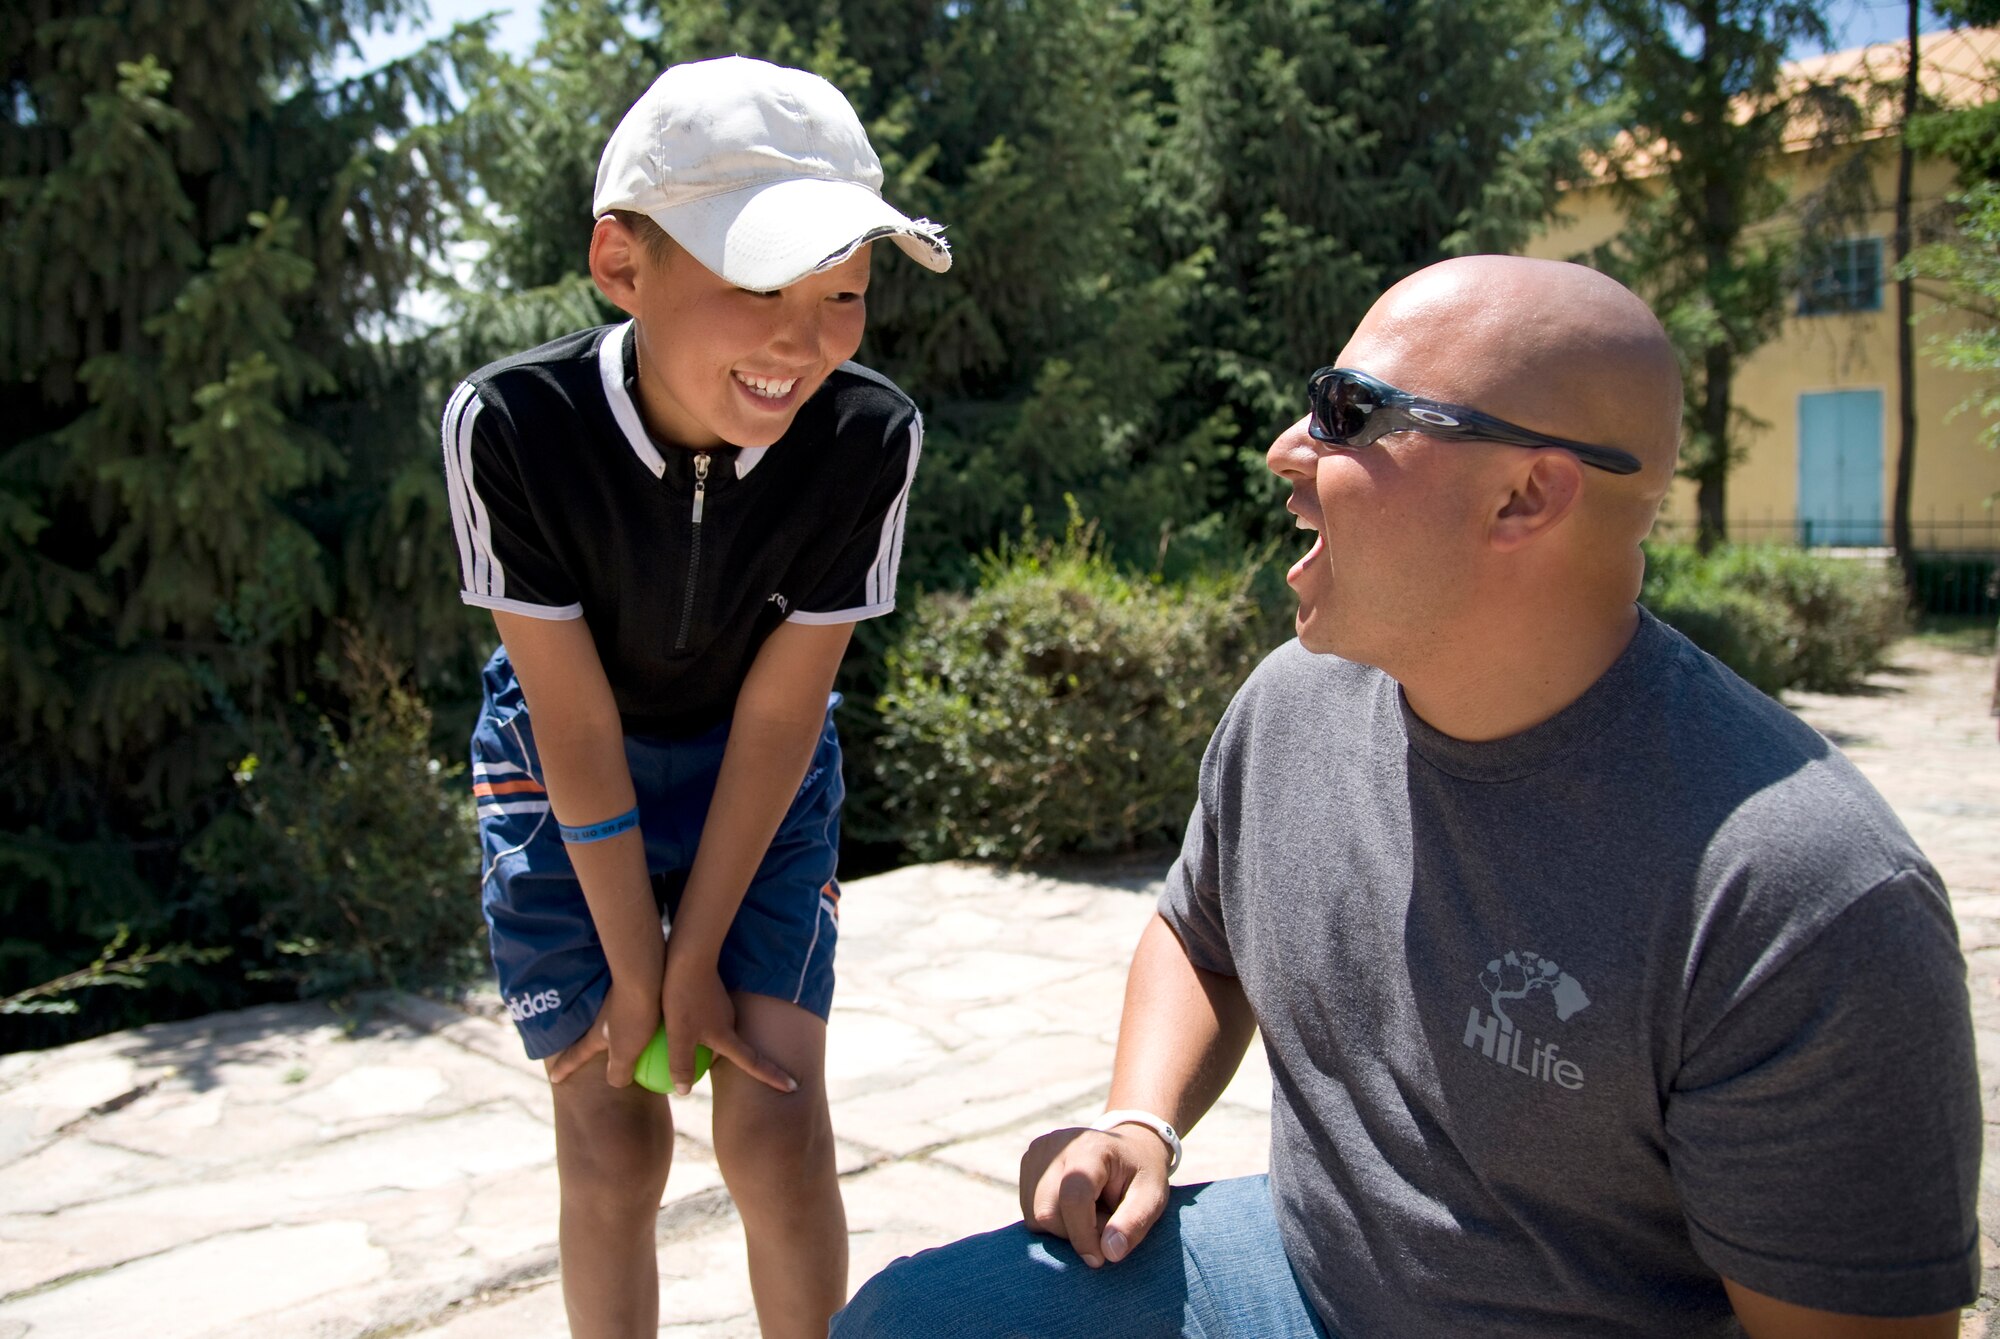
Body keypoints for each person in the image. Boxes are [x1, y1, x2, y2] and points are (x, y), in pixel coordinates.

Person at [832, 256, 1981, 1338]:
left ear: (1523, 496)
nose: (1286, 449)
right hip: (1290, 1272)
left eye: (1345, 413)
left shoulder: (1802, 896)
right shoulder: (1292, 704)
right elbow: (1197, 934)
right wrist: (1138, 1114)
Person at [439, 56, 949, 1339]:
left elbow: (782, 720)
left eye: (842, 291)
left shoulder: (867, 436)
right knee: (615, 1140)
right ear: (622, 264)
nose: (801, 338)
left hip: (757, 775)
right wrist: (637, 967)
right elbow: (573, 723)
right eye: (754, 284)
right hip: (566, 771)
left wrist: (700, 953)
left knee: (774, 1125)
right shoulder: (509, 425)